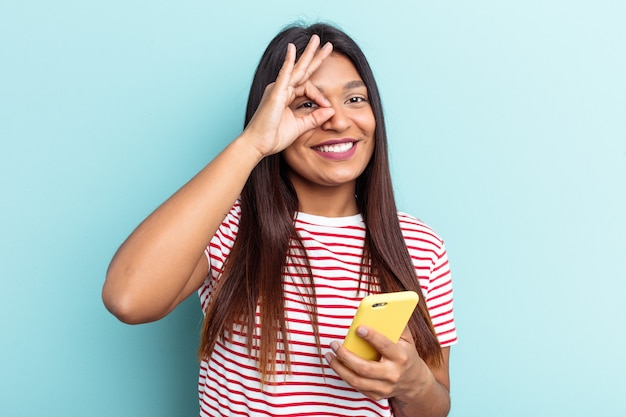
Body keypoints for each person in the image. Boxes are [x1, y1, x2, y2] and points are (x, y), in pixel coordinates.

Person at [103, 22, 457, 417]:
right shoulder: (229, 228)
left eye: (355, 99)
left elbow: (435, 406)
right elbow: (127, 299)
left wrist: (414, 383)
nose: (338, 121)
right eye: (308, 104)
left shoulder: (420, 244)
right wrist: (253, 143)